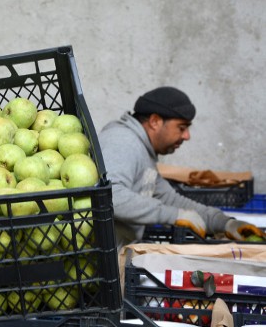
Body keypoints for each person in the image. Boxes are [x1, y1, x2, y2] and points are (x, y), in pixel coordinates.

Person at [98, 86, 263, 248]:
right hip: (102, 265)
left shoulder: (144, 153)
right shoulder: (122, 141)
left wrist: (224, 223)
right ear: (155, 121)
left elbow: (171, 200)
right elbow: (110, 196)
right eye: (181, 128)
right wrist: (173, 215)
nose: (187, 136)